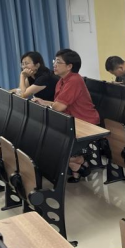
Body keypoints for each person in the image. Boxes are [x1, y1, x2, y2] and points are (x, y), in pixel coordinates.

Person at [34, 49, 100, 183]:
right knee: (41, 141)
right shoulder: (62, 80)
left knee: (48, 148)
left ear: (69, 66)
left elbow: (58, 107)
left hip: (85, 123)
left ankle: (78, 162)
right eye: (55, 61)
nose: (54, 64)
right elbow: (59, 104)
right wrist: (44, 102)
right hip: (71, 121)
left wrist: (49, 104)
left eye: (58, 62)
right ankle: (77, 163)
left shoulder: (74, 80)